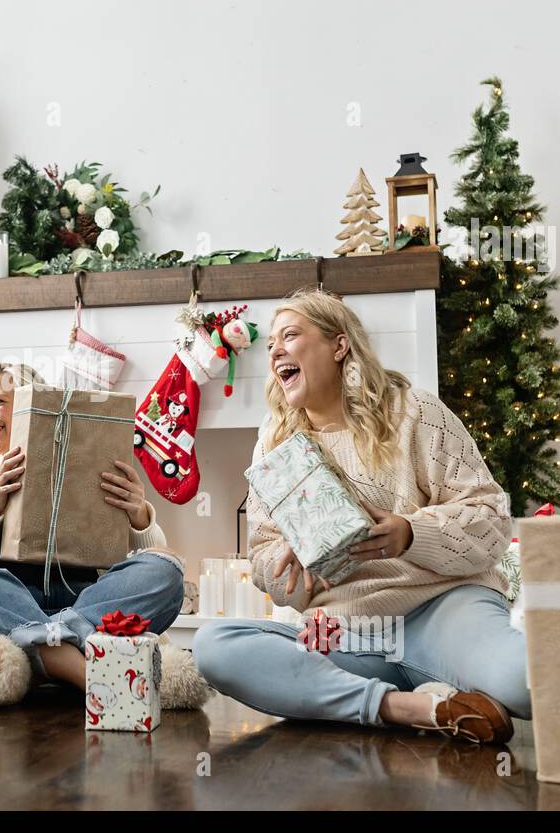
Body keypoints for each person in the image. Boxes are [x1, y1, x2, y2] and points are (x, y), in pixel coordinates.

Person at [193, 289, 528, 744]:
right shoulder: (275, 447)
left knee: (527, 682)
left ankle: (363, 700)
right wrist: (293, 567)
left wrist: (410, 533)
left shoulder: (415, 411)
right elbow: (263, 559)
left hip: (443, 609)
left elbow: (491, 519)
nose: (275, 351)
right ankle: (409, 707)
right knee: (215, 648)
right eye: (271, 343)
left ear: (338, 345)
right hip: (346, 633)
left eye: (290, 336)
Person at [0, 363, 208, 709]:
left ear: (34, 408)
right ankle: (77, 661)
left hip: (84, 603)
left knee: (167, 572)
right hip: (1, 608)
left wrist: (138, 516)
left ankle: (44, 657)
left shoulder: (91, 472)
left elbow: (148, 562)